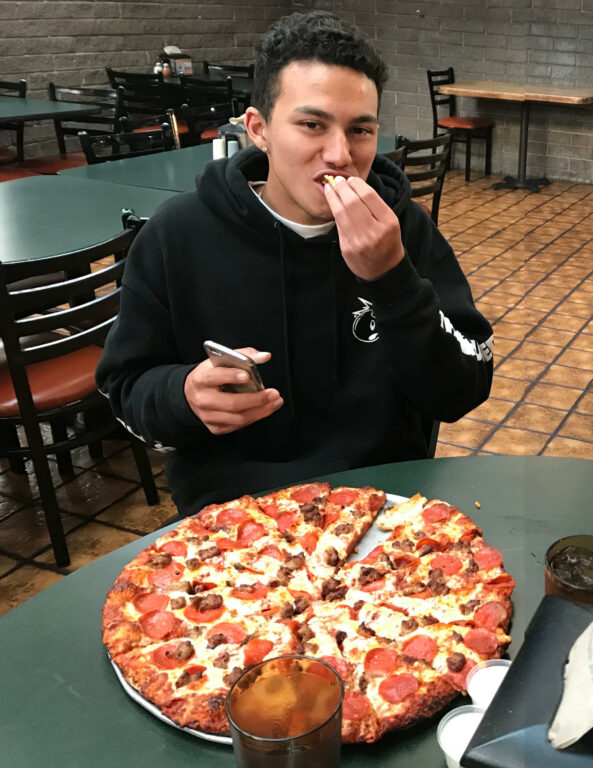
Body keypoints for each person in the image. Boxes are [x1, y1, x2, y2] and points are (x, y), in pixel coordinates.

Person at [97, 12, 494, 516]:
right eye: (312, 125)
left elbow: (465, 390)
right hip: (232, 525)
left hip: (383, 511)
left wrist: (393, 280)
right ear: (258, 129)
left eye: (361, 130)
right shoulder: (177, 235)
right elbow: (126, 387)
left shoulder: (405, 230)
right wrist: (183, 396)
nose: (340, 154)